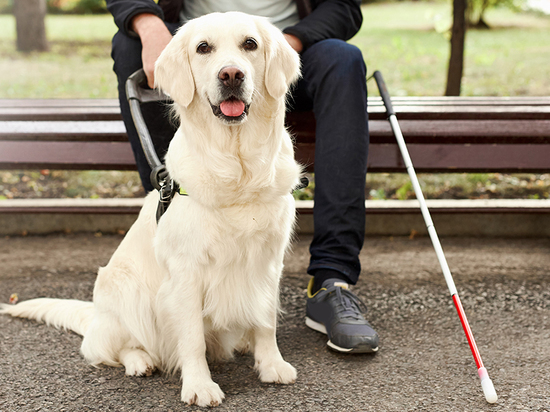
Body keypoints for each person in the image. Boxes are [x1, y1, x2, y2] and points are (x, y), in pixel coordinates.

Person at [106, 0, 379, 354]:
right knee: (129, 43)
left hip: (286, 51)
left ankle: (332, 280)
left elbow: (342, 7)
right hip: (192, 49)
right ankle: (174, 232)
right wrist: (147, 23)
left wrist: (287, 41)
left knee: (344, 59)